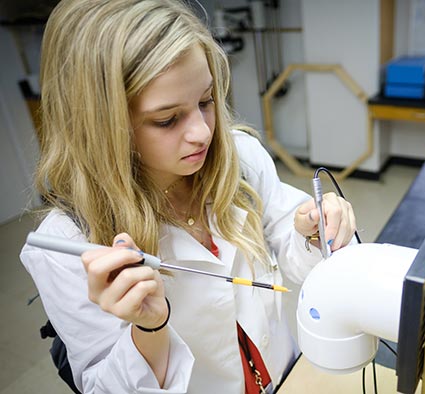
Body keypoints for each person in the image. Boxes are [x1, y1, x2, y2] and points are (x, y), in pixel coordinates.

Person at [19, 0, 357, 393]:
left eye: (206, 101)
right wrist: (149, 328)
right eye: (167, 119)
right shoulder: (68, 244)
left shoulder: (239, 157)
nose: (203, 133)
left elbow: (288, 237)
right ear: (102, 126)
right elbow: (104, 386)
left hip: (283, 376)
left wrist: (314, 231)